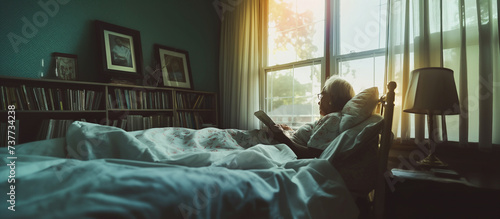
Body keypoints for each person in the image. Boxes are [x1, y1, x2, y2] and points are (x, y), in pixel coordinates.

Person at [272, 76, 355, 158]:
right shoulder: (331, 119)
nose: (318, 102)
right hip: (285, 149)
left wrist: (282, 137)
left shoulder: (333, 119)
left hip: (285, 153)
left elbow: (311, 154)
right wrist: (289, 132)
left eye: (322, 95)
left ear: (331, 98)